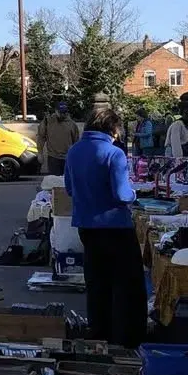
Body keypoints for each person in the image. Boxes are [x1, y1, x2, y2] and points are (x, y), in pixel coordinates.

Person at [64, 107, 146, 348]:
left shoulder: (73, 151)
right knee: (124, 284)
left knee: (97, 282)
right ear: (112, 128)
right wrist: (134, 194)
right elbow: (121, 194)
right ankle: (123, 339)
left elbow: (69, 189)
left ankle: (98, 333)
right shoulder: (114, 153)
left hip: (86, 226)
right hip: (116, 227)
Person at [37, 101, 80, 175]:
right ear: (56, 111)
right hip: (53, 158)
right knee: (55, 183)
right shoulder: (48, 121)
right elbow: (41, 137)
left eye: (65, 112)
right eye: (61, 112)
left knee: (67, 183)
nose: (63, 114)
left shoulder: (72, 124)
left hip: (67, 158)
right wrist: (40, 153)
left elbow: (76, 142)